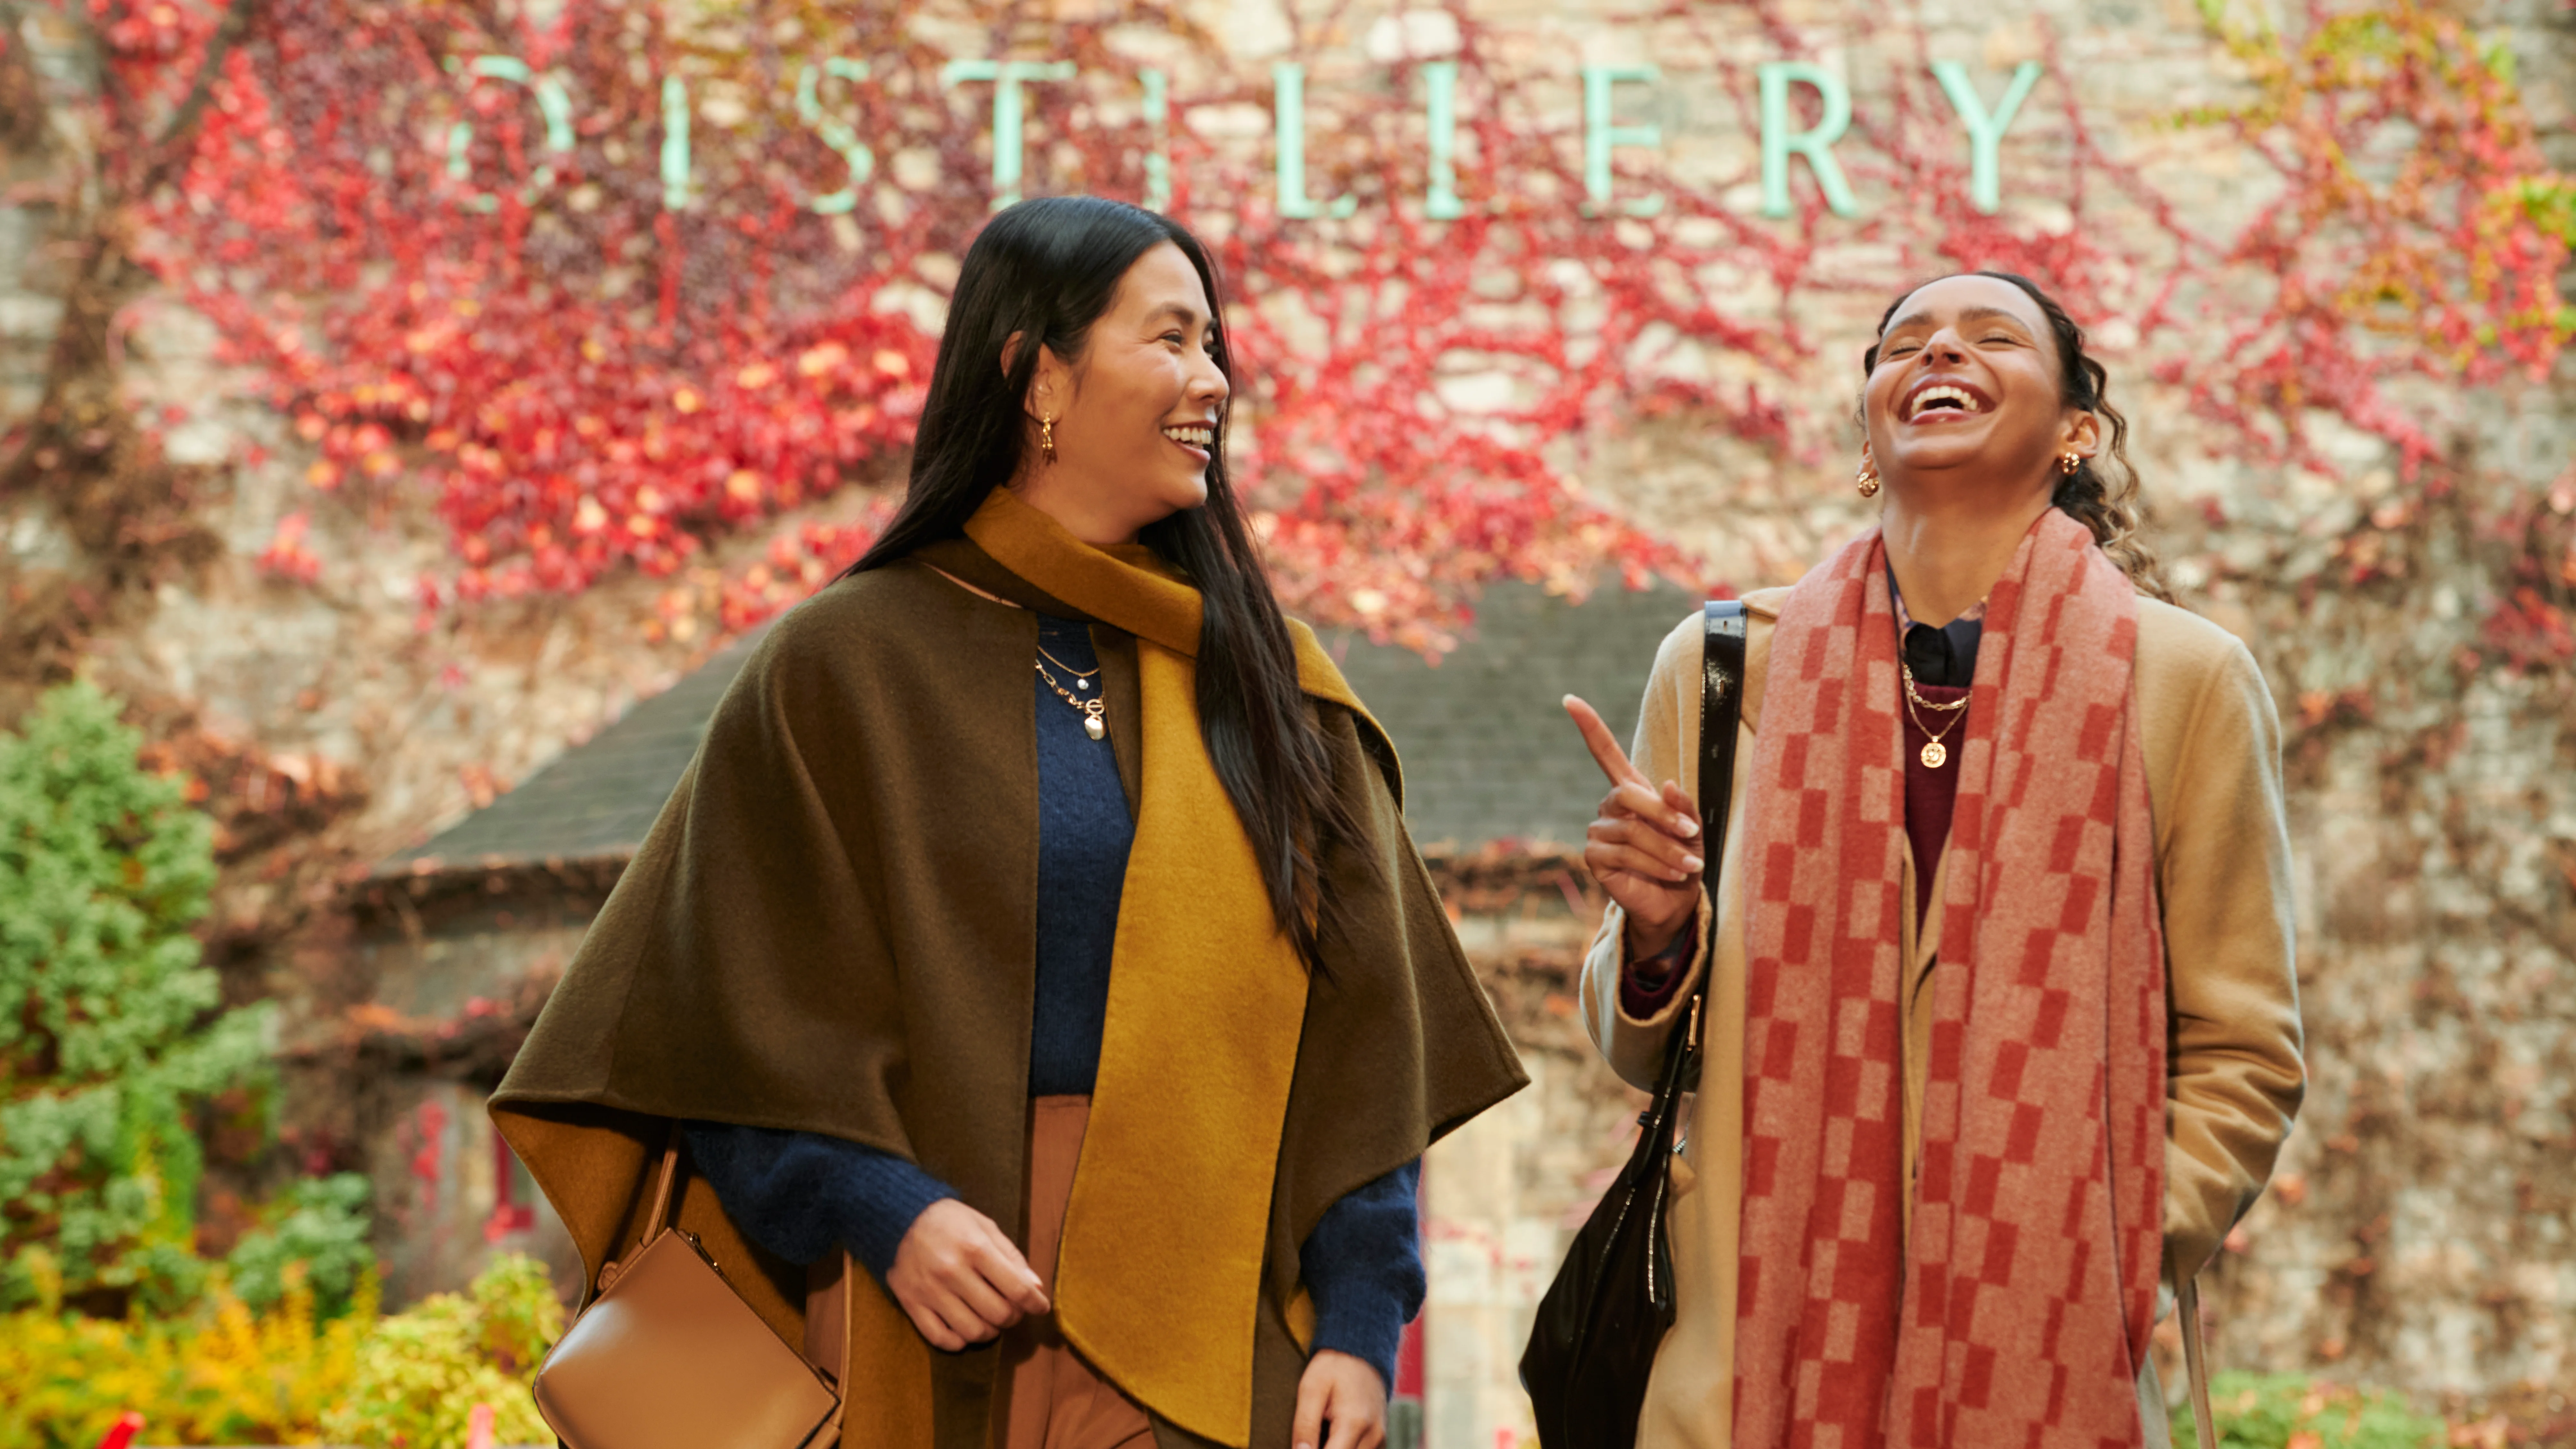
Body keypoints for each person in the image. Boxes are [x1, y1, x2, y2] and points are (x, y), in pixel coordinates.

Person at [491, 195, 1526, 1449]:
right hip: (914, 1317)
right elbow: (719, 1024)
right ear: (1038, 375)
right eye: (1170, 338)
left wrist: (1363, 1323)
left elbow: (1360, 1045)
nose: (1214, 380)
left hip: (1210, 1317)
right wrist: (883, 1207)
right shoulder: (843, 668)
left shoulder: (1266, 684)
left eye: (1217, 345)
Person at [1561, 271, 2304, 1448]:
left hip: (2047, 1364)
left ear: (2077, 431)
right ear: (1870, 426)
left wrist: (2107, 1253)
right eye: (1903, 343)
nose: (1939, 352)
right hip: (1751, 1355)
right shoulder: (1716, 672)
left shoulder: (2186, 683)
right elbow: (1640, 1048)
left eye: (1990, 337)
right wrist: (1653, 939)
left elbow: (2244, 1046)